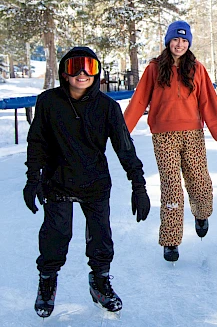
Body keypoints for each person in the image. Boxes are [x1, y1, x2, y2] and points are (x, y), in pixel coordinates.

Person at [23, 47, 151, 318]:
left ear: (97, 73)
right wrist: (32, 178)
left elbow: (124, 147)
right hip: (58, 182)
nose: (82, 74)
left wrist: (138, 185)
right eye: (75, 67)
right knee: (56, 234)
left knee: (101, 236)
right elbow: (37, 142)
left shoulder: (107, 107)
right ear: (64, 72)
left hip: (95, 183)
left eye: (89, 68)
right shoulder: (48, 102)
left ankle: (100, 281)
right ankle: (47, 280)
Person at [124, 20, 217, 263]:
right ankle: (171, 240)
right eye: (175, 39)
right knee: (171, 186)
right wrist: (121, 132)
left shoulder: (197, 69)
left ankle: (202, 213)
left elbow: (209, 103)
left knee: (199, 179)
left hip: (192, 133)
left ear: (189, 43)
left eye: (184, 40)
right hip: (163, 136)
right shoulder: (154, 69)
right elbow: (139, 101)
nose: (179, 44)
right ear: (168, 41)